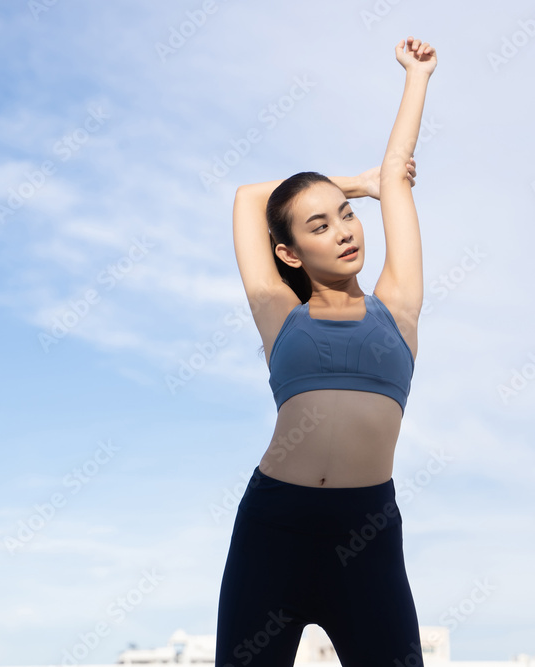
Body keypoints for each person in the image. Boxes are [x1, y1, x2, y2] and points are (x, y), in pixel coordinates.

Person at [216, 36, 438, 667]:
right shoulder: (278, 313)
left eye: (347, 214)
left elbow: (398, 173)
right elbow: (249, 199)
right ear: (289, 253)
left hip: (365, 532)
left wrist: (416, 77)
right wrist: (356, 180)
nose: (344, 230)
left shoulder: (396, 307)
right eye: (319, 225)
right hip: (273, 527)